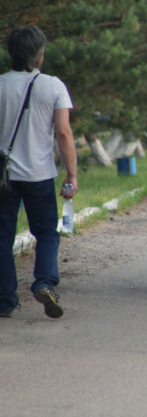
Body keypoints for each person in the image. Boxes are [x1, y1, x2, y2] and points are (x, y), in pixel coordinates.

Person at [0, 25, 77, 319]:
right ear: (39, 55)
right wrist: (71, 175)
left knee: (2, 237)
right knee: (46, 233)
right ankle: (44, 282)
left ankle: (5, 300)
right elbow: (64, 133)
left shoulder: (0, 84)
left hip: (4, 177)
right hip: (39, 175)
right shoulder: (53, 86)